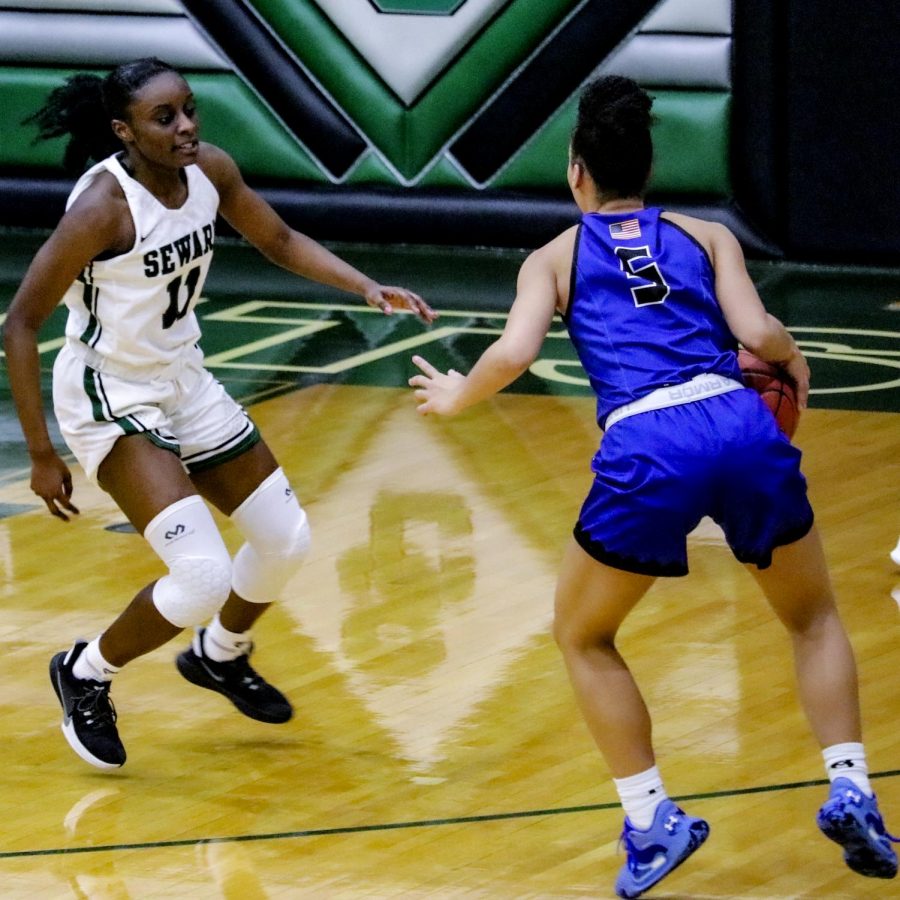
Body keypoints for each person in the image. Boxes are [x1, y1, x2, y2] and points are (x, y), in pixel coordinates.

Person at [408, 75, 896, 897]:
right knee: (812, 619)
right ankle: (852, 787)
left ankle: (651, 819)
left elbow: (517, 352)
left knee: (582, 634)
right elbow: (755, 332)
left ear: (576, 172)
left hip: (647, 441)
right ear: (648, 164)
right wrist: (795, 359)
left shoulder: (554, 256)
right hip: (737, 420)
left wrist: (459, 394)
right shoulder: (708, 234)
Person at [3, 57, 436, 771]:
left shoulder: (209, 171)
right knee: (201, 574)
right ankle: (85, 672)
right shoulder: (103, 210)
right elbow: (20, 324)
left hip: (183, 378)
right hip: (113, 393)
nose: (187, 128)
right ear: (124, 131)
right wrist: (43, 456)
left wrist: (365, 285)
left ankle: (220, 654)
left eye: (190, 110)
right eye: (164, 118)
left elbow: (279, 240)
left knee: (286, 541)